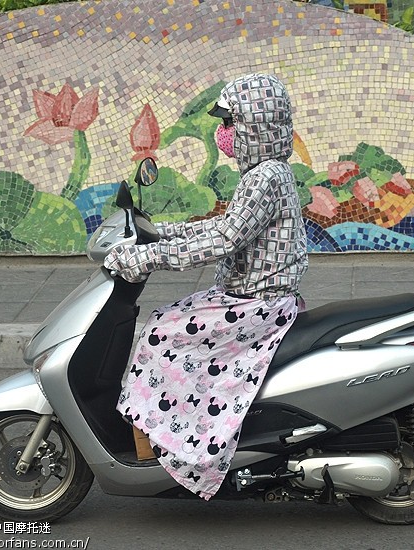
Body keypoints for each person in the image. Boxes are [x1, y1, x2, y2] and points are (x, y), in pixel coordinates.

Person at [103, 73, 308, 500]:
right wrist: (164, 233)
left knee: (161, 335)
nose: (224, 133)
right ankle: (169, 437)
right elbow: (227, 225)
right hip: (246, 298)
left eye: (231, 123)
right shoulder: (266, 173)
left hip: (256, 305)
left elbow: (224, 240)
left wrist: (150, 257)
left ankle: (181, 446)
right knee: (164, 325)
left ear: (256, 126)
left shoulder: (267, 177)